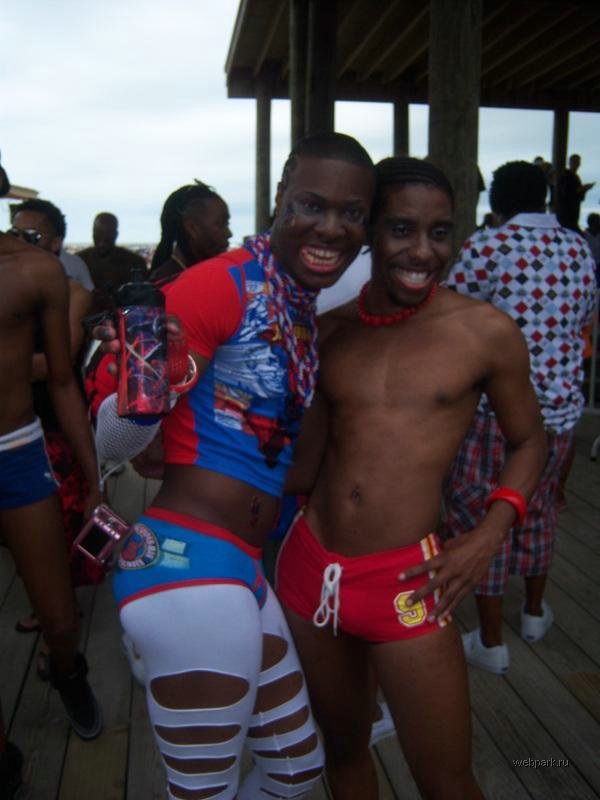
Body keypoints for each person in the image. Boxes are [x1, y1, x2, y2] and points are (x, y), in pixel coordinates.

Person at [94, 132, 376, 800]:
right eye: (312, 204)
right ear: (279, 199)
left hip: (239, 569)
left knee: (295, 770)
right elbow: (111, 443)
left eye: (352, 214)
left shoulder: (298, 303)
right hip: (188, 569)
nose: (331, 228)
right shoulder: (218, 284)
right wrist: (150, 388)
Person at [274, 156, 548, 800]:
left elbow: (530, 440)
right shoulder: (329, 330)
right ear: (370, 231)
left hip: (409, 582)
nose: (423, 251)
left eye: (440, 232)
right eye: (401, 229)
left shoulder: (484, 333)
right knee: (342, 751)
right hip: (309, 570)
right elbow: (303, 466)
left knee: (446, 782)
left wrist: (488, 535)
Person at [445, 160, 597, 674]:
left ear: (497, 202)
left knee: (484, 513)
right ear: (545, 199)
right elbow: (584, 317)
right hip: (560, 410)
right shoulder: (578, 248)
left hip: (497, 409)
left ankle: (491, 643)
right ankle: (533, 615)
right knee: (538, 509)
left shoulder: (487, 246)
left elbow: (452, 314)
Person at [0, 166, 103, 741]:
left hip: (15, 450)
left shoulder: (34, 271)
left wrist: (92, 480)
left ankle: (68, 672)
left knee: (60, 618)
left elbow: (64, 381)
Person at [148, 180, 232, 287]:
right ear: (192, 228)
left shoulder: (211, 275)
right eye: (221, 224)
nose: (229, 234)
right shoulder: (166, 286)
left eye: (227, 224)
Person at [9, 197, 94, 290]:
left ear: (55, 243)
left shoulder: (72, 291)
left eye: (30, 235)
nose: (19, 242)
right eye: (14, 234)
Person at [78, 212, 147, 302]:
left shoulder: (135, 263)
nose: (102, 241)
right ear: (93, 233)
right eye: (99, 234)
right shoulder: (78, 261)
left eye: (108, 236)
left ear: (115, 235)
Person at [555, 153, 595, 232]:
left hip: (573, 213)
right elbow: (566, 193)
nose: (577, 164)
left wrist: (584, 189)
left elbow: (580, 196)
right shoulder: (565, 175)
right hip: (565, 213)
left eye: (578, 162)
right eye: (575, 162)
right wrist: (582, 189)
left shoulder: (576, 177)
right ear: (569, 162)